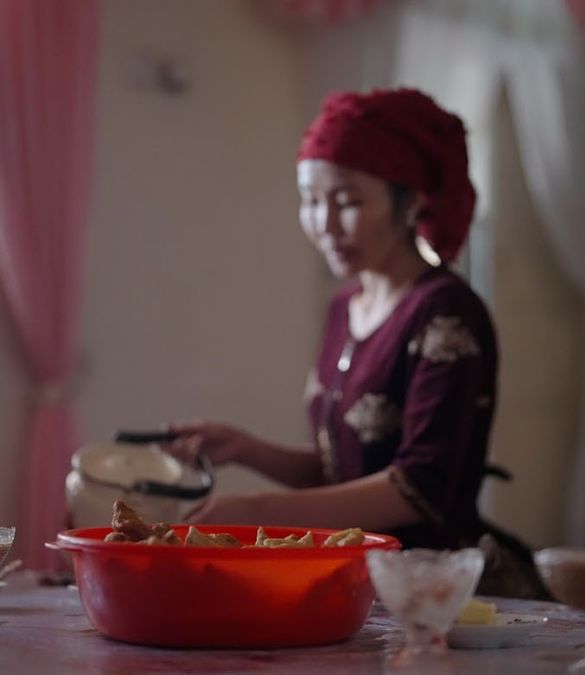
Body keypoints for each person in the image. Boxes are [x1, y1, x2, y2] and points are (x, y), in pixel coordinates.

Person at [166, 88, 545, 598]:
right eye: (310, 201)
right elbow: (345, 470)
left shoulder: (446, 312)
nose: (323, 225)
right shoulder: (345, 307)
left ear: (410, 201)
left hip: (433, 591)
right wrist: (247, 449)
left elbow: (415, 488)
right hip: (352, 583)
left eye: (346, 202)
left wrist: (258, 512)